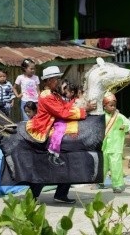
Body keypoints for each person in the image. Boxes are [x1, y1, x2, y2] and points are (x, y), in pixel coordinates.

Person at [26, 66, 96, 204]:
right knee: (47, 164)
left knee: (69, 158)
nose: (58, 82)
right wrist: (84, 111)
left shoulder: (54, 94)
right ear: (49, 80)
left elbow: (66, 106)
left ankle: (61, 193)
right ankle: (32, 196)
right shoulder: (46, 96)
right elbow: (62, 112)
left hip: (58, 125)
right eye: (56, 79)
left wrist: (81, 102)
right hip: (45, 128)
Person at [93, 92, 130, 193]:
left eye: (114, 105)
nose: (113, 107)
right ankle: (100, 182)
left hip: (116, 146)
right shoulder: (101, 116)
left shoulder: (119, 116)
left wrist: (125, 126)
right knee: (103, 165)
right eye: (111, 105)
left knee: (116, 166)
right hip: (104, 146)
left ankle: (117, 185)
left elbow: (128, 123)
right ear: (104, 106)